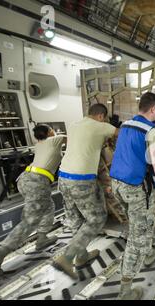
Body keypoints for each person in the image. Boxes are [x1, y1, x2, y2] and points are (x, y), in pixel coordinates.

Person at [110, 92, 155, 300]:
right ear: (153, 109)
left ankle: (148, 250)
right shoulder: (152, 132)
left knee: (141, 221)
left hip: (117, 184)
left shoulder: (126, 125)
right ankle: (125, 291)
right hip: (136, 188)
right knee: (137, 237)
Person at [0, 124, 66, 276]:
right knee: (29, 221)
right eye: (52, 129)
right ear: (49, 132)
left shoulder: (39, 144)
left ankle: (42, 238)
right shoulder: (55, 140)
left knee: (48, 207)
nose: (55, 131)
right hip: (37, 182)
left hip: (27, 179)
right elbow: (72, 137)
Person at [52, 104, 119, 279]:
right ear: (101, 116)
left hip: (63, 178)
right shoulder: (101, 126)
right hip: (81, 180)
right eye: (104, 118)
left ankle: (81, 257)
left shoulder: (74, 125)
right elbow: (121, 134)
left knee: (76, 219)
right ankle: (66, 258)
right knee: (96, 218)